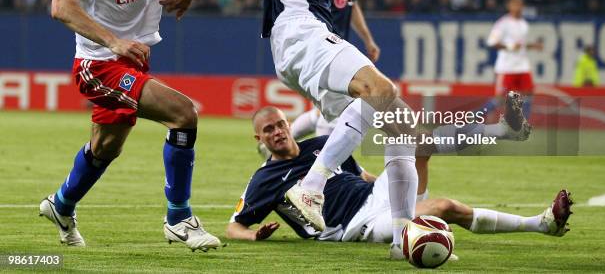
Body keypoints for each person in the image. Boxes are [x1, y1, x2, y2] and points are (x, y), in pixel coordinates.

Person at [159, 0, 531, 255]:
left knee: (401, 127)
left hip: (309, 38)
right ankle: (311, 189)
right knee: (381, 89)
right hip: (297, 29)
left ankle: (402, 236)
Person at [40, 0, 298, 251]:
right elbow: (61, 5)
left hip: (131, 58)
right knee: (184, 113)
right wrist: (113, 41)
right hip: (99, 64)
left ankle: (61, 205)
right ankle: (179, 218)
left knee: (106, 147)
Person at [226, 106, 572, 259]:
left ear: (289, 124)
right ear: (259, 137)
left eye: (280, 124)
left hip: (376, 195)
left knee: (419, 142)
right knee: (445, 208)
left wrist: (394, 180)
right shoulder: (264, 179)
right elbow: (233, 226)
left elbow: (360, 175)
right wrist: (253, 234)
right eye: (268, 129)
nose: (277, 132)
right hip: (356, 225)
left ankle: (502, 131)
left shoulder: (321, 146)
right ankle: (541, 225)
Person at [289, 0, 379, 142]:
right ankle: (324, 170)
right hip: (320, 43)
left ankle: (279, 144)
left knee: (327, 109)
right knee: (335, 111)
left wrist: (368, 39)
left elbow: (351, 4)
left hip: (339, 44)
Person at [485, 0, 543, 120]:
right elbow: (491, 42)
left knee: (528, 94)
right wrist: (510, 46)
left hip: (522, 65)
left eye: (520, 4)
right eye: (515, 4)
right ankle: (475, 116)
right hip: (507, 66)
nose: (518, 7)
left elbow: (520, 45)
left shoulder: (523, 24)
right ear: (509, 6)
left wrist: (533, 46)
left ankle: (523, 124)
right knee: (500, 99)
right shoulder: (503, 23)